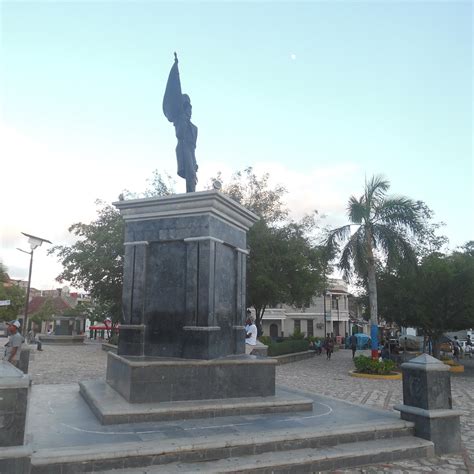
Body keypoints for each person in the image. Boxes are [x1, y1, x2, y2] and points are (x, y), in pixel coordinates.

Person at [163, 53, 198, 193]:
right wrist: (182, 117)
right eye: (187, 107)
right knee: (190, 175)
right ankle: (191, 196)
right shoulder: (180, 120)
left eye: (190, 108)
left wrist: (196, 162)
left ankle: (192, 195)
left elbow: (193, 147)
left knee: (193, 175)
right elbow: (180, 134)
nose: (190, 111)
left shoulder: (194, 128)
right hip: (182, 148)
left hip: (190, 151)